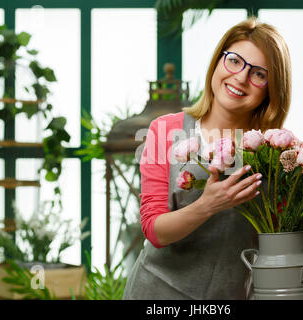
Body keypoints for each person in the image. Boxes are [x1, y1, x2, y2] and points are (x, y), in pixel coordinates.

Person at [122, 16, 291, 300]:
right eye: (234, 61)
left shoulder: (274, 150)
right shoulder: (164, 130)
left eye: (259, 74)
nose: (240, 77)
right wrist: (208, 204)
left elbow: (278, 244)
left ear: (271, 89)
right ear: (217, 62)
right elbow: (154, 230)